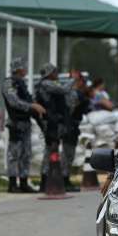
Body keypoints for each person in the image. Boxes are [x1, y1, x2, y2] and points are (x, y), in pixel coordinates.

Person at [1, 57, 46, 193]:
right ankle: (13, 184)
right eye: (23, 67)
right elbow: (14, 102)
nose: (26, 69)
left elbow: (27, 100)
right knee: (14, 154)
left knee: (26, 154)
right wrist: (32, 106)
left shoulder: (22, 84)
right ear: (18, 69)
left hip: (25, 123)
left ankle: (24, 182)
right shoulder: (9, 83)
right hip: (15, 124)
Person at [35, 63, 77, 192]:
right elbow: (63, 90)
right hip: (51, 123)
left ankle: (57, 180)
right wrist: (73, 79)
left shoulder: (51, 83)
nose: (56, 73)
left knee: (55, 151)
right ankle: (45, 181)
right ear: (49, 73)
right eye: (54, 71)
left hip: (57, 122)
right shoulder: (46, 84)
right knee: (50, 151)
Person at [62, 70, 94, 191]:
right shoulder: (73, 94)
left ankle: (65, 179)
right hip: (68, 126)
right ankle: (64, 180)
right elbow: (70, 110)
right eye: (81, 81)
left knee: (69, 154)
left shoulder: (77, 93)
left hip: (72, 126)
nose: (83, 83)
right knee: (67, 154)